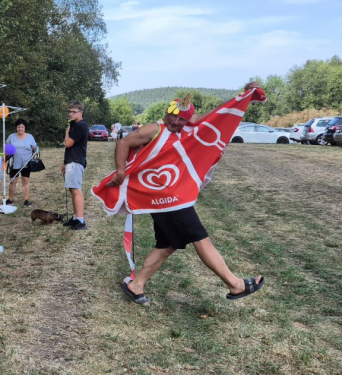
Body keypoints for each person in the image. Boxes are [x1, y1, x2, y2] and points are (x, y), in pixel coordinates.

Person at [107, 83, 265, 305]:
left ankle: (136, 285)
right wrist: (121, 171)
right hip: (168, 199)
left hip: (168, 198)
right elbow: (124, 142)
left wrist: (241, 98)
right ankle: (235, 284)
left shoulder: (184, 129)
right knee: (200, 237)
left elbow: (213, 116)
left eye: (182, 120)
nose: (176, 122)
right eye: (173, 117)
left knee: (167, 244)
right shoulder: (155, 129)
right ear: (167, 112)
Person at [62, 101, 89, 230]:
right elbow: (68, 148)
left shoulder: (81, 126)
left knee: (76, 190)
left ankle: (80, 220)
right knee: (72, 189)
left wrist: (67, 131)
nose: (71, 114)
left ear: (81, 112)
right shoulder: (74, 124)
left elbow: (68, 144)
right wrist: (64, 163)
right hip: (70, 160)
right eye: (70, 111)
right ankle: (75, 218)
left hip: (76, 161)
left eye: (74, 112)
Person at [6, 119, 38, 207]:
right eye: (18, 127)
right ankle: (10, 200)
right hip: (14, 162)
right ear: (16, 128)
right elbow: (7, 145)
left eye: (22, 127)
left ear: (25, 128)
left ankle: (26, 200)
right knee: (13, 181)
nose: (20, 129)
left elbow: (34, 146)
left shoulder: (30, 136)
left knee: (25, 181)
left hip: (26, 162)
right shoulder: (11, 136)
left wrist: (35, 148)